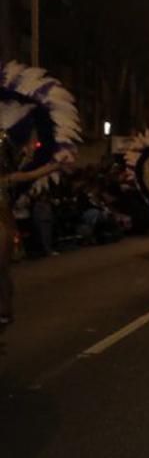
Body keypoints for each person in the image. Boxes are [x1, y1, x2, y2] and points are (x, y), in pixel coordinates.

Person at [0, 132, 64, 325]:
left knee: (1, 269)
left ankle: (5, 307)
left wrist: (55, 165)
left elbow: (32, 174)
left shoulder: (7, 179)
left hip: (3, 226)